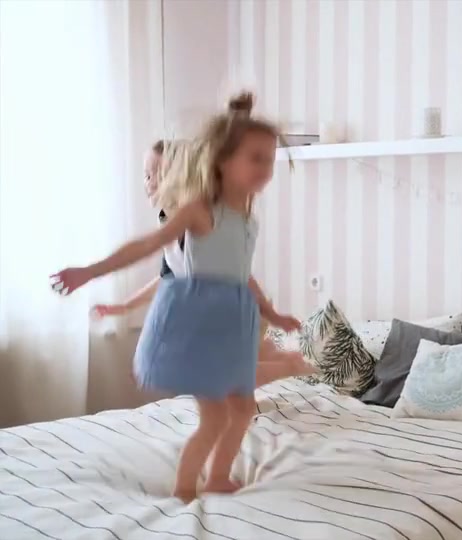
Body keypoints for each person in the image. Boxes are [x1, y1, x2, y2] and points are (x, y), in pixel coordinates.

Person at [51, 92, 297, 502]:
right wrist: (90, 272)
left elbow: (242, 276)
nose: (265, 169)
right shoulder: (199, 210)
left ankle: (218, 477)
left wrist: (272, 312)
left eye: (270, 160)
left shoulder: (246, 220)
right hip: (200, 322)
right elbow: (147, 245)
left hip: (234, 323)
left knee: (242, 410)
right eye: (256, 158)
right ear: (222, 160)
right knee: (214, 417)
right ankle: (184, 488)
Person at [91, 139, 313, 386]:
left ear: (181, 179)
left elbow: (241, 275)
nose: (149, 183)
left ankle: (290, 366)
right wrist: (124, 307)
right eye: (146, 175)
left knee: (219, 378)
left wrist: (271, 314)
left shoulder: (202, 225)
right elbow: (168, 278)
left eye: (158, 175)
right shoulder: (166, 220)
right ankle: (282, 358)